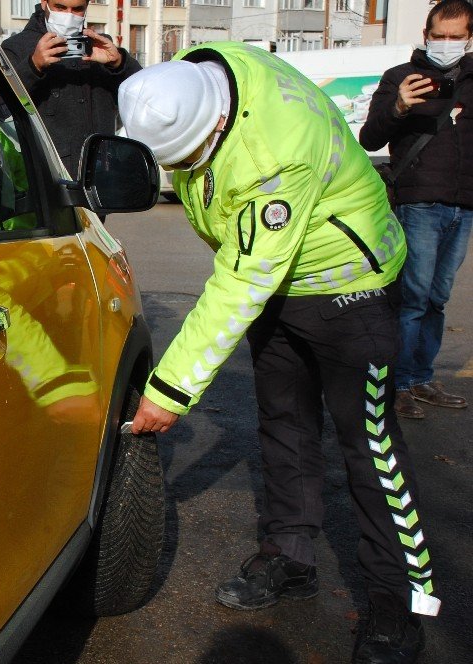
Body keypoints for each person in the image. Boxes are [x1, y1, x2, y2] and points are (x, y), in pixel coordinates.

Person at [118, 43, 438, 664]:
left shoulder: (275, 157)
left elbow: (240, 283)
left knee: (370, 450)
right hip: (279, 286)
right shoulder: (196, 75)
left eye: (188, 159)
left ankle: (397, 604)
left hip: (351, 287)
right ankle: (290, 556)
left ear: (215, 122)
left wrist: (169, 390)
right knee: (284, 427)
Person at [359, 0, 472, 420]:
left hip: (464, 205)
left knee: (438, 298)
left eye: (456, 37)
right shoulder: (400, 78)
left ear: (469, 37)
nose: (447, 44)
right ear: (426, 35)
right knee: (412, 297)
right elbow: (370, 138)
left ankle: (421, 376)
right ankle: (399, 384)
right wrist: (399, 107)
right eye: (440, 36)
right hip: (419, 200)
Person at [1, 1, 140, 174]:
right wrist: (33, 65)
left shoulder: (98, 44)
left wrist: (119, 63)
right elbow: (1, 105)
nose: (68, 15)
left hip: (103, 173)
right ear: (44, 3)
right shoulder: (16, 47)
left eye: (77, 9)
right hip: (50, 178)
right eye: (60, 7)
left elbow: (142, 97)